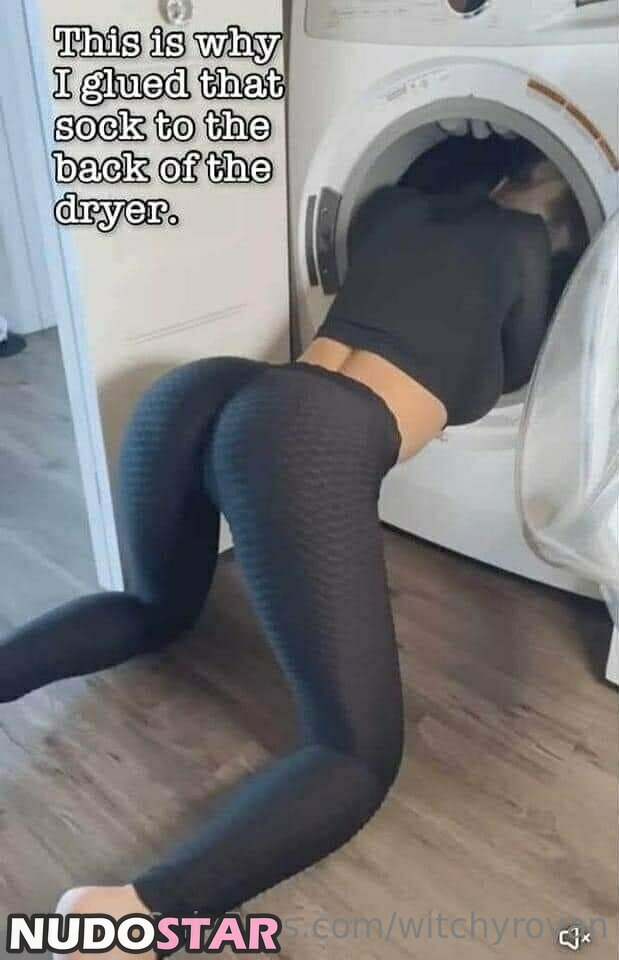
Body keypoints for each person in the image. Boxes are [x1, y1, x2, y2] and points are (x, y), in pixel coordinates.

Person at [0, 134, 552, 956]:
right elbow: (521, 369)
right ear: (515, 180)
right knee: (354, 757)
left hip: (206, 390)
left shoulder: (389, 208)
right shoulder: (523, 237)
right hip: (304, 436)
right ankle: (127, 914)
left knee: (152, 607)